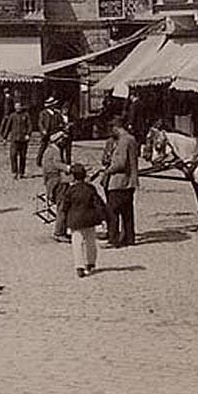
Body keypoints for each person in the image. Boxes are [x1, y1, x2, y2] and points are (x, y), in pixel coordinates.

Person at [60, 164, 108, 278]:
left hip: (75, 220)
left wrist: (65, 218)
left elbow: (65, 206)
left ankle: (79, 266)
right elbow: (98, 204)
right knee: (91, 242)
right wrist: (103, 218)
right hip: (89, 219)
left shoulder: (71, 190)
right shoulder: (90, 188)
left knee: (77, 243)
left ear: (73, 177)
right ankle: (90, 263)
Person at [101, 117, 138, 248]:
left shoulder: (123, 141)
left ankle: (113, 240)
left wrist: (107, 171)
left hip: (118, 181)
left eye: (112, 128)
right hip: (129, 181)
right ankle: (129, 238)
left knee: (112, 211)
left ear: (116, 128)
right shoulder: (132, 139)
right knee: (127, 211)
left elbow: (120, 163)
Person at [43, 133, 74, 243]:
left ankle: (62, 231)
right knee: (62, 207)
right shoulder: (55, 150)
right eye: (63, 139)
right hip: (57, 181)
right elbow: (57, 164)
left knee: (62, 206)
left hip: (52, 181)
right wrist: (69, 168)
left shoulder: (49, 149)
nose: (65, 142)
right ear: (58, 140)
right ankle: (59, 232)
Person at [0, 100, 32, 179]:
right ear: (14, 107)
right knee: (13, 155)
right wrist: (5, 137)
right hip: (14, 139)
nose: (18, 108)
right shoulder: (12, 116)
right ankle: (14, 171)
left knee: (22, 156)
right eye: (16, 106)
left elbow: (29, 125)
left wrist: (28, 134)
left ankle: (21, 172)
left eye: (19, 106)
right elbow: (8, 127)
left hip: (23, 139)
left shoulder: (26, 115)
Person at [36, 97, 64, 168]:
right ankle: (39, 160)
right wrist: (43, 130)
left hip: (54, 132)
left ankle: (60, 160)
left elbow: (61, 121)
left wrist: (61, 125)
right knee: (43, 146)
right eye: (53, 105)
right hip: (46, 132)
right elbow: (40, 123)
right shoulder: (43, 113)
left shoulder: (57, 113)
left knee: (59, 146)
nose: (54, 106)